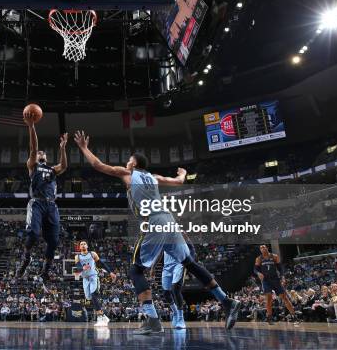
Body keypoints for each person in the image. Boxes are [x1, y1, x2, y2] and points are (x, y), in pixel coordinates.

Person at [73, 130, 240, 335]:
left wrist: (83, 148)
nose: (126, 163)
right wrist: (183, 174)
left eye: (128, 160)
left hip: (154, 221)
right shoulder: (153, 177)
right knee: (190, 263)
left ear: (134, 164)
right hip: (169, 221)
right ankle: (226, 300)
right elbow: (178, 182)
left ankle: (153, 320)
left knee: (135, 270)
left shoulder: (129, 174)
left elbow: (98, 165)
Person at [15, 113, 68, 291]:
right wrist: (31, 126)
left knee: (53, 241)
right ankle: (26, 257)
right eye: (39, 153)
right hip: (36, 203)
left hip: (52, 205)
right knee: (33, 234)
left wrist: (62, 148)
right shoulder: (32, 165)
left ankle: (45, 271)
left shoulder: (52, 170)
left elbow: (64, 166)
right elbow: (33, 146)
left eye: (43, 153)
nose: (41, 153)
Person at [73, 240, 117, 327]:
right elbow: (77, 268)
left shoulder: (92, 254)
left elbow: (101, 263)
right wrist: (82, 268)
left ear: (87, 246)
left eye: (84, 244)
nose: (83, 245)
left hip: (93, 276)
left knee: (94, 295)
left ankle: (100, 317)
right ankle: (104, 316)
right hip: (85, 279)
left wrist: (110, 272)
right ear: (79, 247)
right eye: (81, 244)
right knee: (89, 297)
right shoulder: (77, 256)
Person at [254, 245, 300, 325]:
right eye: (261, 248)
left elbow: (280, 268)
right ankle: (270, 318)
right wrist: (258, 273)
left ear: (267, 248)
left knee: (284, 297)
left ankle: (294, 316)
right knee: (269, 298)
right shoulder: (259, 259)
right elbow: (255, 269)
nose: (262, 248)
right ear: (260, 250)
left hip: (275, 279)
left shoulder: (274, 256)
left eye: (264, 247)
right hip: (266, 280)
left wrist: (282, 276)